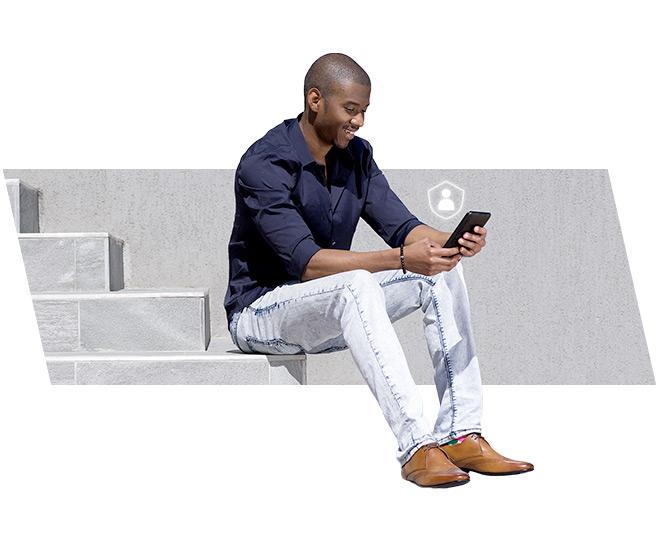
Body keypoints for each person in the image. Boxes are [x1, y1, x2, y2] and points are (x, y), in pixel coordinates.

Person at [224, 53, 533, 488]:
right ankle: (416, 447)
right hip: (259, 313)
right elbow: (308, 263)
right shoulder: (265, 163)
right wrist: (402, 259)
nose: (360, 121)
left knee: (441, 273)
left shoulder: (356, 156)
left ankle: (461, 433)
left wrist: (451, 243)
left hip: (330, 307)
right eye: (351, 109)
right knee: (355, 284)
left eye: (365, 110)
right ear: (315, 100)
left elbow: (403, 228)